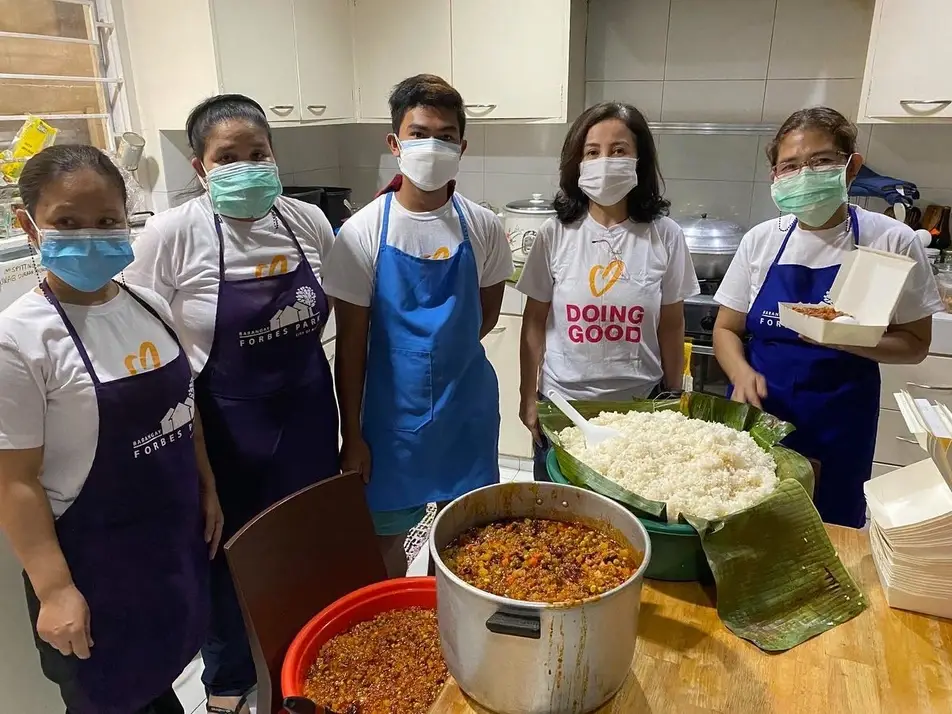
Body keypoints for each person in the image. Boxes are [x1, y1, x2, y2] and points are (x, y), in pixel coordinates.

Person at [125, 94, 339, 714]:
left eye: (257, 154)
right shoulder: (172, 233)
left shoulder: (306, 222)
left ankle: (305, 663)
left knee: (302, 545)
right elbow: (141, 337)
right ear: (199, 165)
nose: (246, 166)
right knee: (225, 558)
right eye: (227, 157)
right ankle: (226, 683)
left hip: (304, 411)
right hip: (221, 423)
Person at [0, 145, 221, 714]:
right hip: (94, 566)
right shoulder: (20, 339)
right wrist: (53, 590)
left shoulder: (147, 304)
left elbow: (183, 407)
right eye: (67, 223)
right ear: (30, 225)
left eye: (106, 222)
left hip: (168, 545)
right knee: (109, 696)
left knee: (162, 676)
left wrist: (206, 486)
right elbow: (15, 482)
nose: (91, 236)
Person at [713, 107, 943, 528]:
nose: (805, 174)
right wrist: (741, 374)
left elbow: (915, 344)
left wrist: (842, 338)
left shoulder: (891, 240)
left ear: (851, 166)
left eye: (820, 162)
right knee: (748, 525)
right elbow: (726, 329)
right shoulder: (762, 241)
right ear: (775, 178)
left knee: (830, 529)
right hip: (760, 417)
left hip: (840, 420)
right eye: (791, 166)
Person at [323, 74, 513, 577]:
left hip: (465, 414)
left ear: (462, 146)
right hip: (389, 424)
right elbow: (352, 346)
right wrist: (352, 436)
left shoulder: (484, 226)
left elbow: (484, 317)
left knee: (464, 544)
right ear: (394, 143)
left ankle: (451, 634)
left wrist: (438, 359)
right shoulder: (361, 232)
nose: (433, 145)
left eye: (446, 135)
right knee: (385, 544)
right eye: (419, 132)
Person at [516, 102, 699, 482]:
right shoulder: (554, 234)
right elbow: (534, 322)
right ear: (577, 163)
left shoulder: (665, 236)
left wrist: (672, 394)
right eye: (592, 152)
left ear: (639, 160)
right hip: (564, 408)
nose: (605, 161)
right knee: (558, 520)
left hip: (638, 410)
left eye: (619, 151)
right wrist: (527, 396)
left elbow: (671, 323)